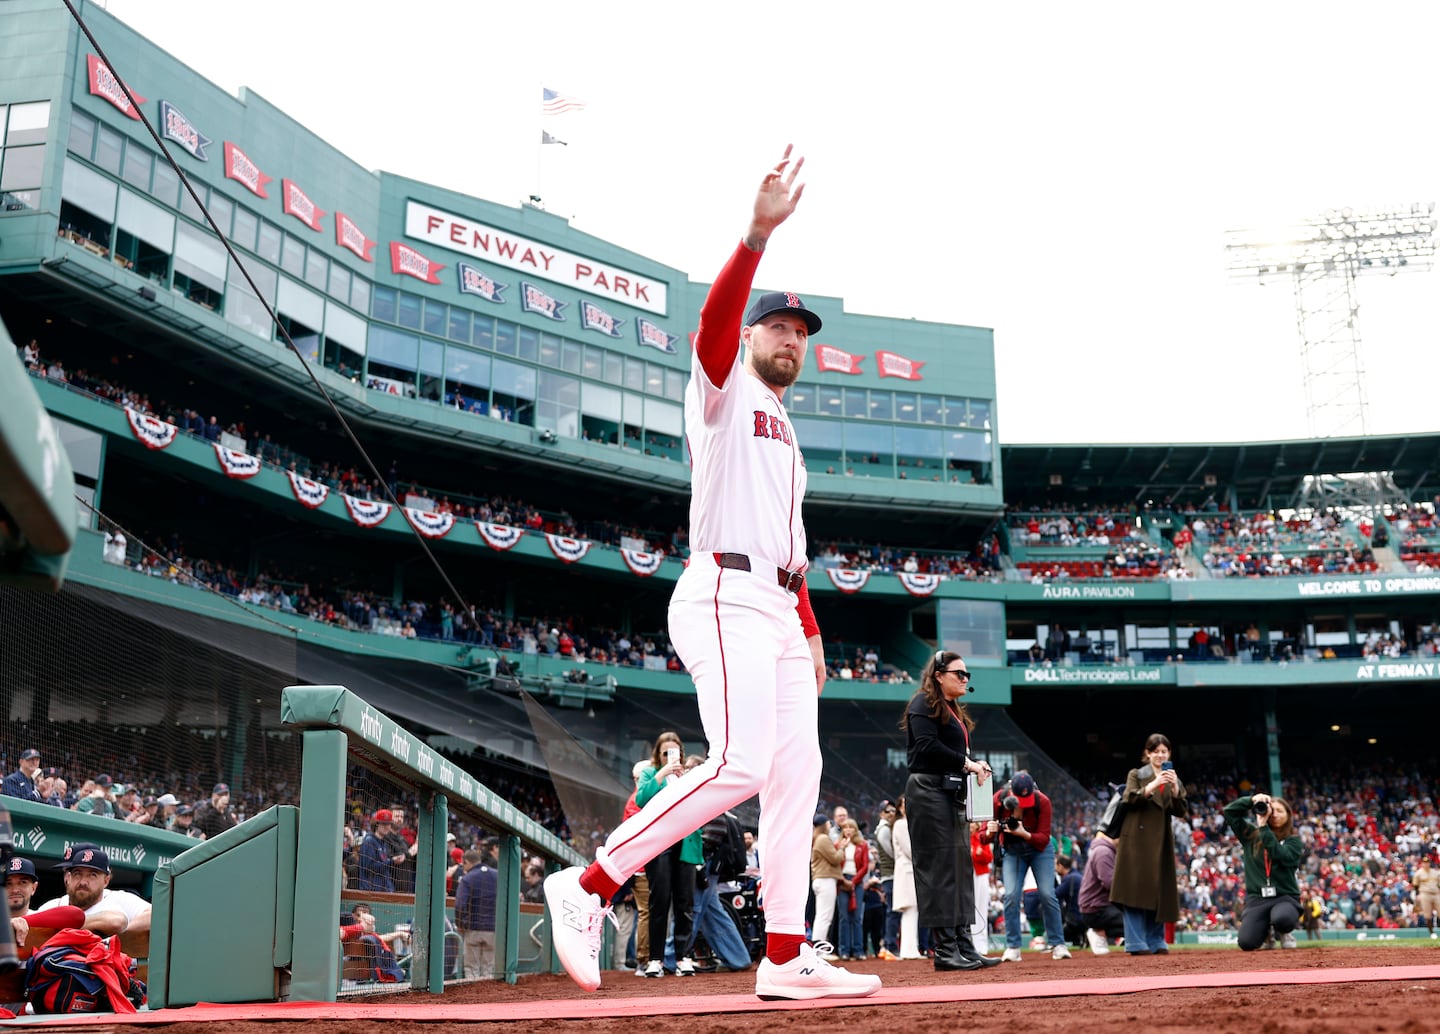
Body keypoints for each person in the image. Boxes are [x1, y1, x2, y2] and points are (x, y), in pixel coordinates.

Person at [543, 146, 879, 1002]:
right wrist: (755, 237)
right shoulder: (724, 387)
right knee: (737, 761)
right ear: (753, 335)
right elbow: (711, 326)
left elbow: (793, 554)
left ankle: (784, 952)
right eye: (782, 327)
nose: (793, 341)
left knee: (796, 770)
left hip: (775, 605)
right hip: (722, 592)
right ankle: (589, 887)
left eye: (803, 335)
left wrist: (810, 634)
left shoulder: (790, 438)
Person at [902, 649, 1000, 971]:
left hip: (948, 793)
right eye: (959, 673)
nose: (965, 679)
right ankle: (945, 951)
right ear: (938, 675)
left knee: (959, 872)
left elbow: (953, 752)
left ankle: (964, 946)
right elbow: (927, 746)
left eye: (967, 675)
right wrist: (967, 763)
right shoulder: (923, 703)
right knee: (941, 871)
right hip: (929, 791)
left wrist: (973, 765)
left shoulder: (950, 709)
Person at [1109, 733, 1189, 955]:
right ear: (1148, 753)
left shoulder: (1173, 778)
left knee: (1158, 890)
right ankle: (1135, 942)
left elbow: (1181, 810)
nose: (1160, 756)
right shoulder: (1137, 774)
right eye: (1156, 752)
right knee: (1133, 890)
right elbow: (1129, 798)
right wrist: (1155, 783)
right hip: (1135, 838)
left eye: (1164, 752)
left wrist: (1173, 788)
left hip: (1160, 840)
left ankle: (1156, 940)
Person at [631, 732, 700, 978]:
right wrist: (662, 773)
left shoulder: (689, 777)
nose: (672, 757)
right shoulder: (650, 774)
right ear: (657, 756)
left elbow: (700, 805)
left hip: (685, 842)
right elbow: (641, 799)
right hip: (660, 843)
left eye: (676, 752)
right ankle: (656, 960)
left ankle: (684, 957)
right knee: (658, 902)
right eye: (666, 753)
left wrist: (684, 780)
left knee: (685, 904)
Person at [984, 770, 1069, 961]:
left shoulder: (1043, 802)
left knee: (1048, 893)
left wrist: (1024, 833)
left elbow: (1043, 839)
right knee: (1011, 895)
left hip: (1040, 850)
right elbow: (982, 836)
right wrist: (991, 832)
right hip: (1013, 851)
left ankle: (1058, 944)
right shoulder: (998, 800)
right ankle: (1013, 947)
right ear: (1011, 794)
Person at [1223, 791, 1305, 951]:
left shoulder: (1293, 841)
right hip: (1258, 899)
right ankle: (1266, 931)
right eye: (1272, 811)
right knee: (1246, 943)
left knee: (1283, 919)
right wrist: (1251, 800)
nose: (1275, 815)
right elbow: (1229, 812)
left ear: (1289, 815)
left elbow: (1279, 855)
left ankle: (1283, 932)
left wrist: (1263, 827)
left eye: (1280, 811)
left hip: (1285, 897)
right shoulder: (1251, 835)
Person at [36, 843, 151, 936]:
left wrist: (120, 937)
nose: (83, 882)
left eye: (92, 875)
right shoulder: (53, 906)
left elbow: (154, 916)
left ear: (106, 880)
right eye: (77, 874)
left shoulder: (118, 899)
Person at [454, 839, 499, 978]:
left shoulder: (468, 879)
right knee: (489, 969)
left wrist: (461, 924)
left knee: (472, 969)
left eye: (463, 864)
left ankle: (474, 1000)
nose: (463, 867)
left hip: (473, 928)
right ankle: (489, 999)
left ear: (467, 862)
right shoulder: (497, 875)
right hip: (493, 929)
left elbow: (460, 904)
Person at [1077, 829, 1125, 954]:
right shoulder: (1104, 852)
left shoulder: (1105, 850)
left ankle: (1099, 931)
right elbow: (1109, 883)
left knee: (1134, 919)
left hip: (1097, 906)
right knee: (1134, 920)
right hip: (1095, 908)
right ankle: (1097, 931)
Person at [890, 797, 922, 959]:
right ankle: (909, 949)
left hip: (910, 869)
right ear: (901, 809)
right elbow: (909, 849)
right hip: (907, 869)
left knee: (913, 909)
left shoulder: (907, 824)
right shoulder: (901, 824)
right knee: (910, 908)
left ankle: (910, 948)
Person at [809, 813, 843, 958]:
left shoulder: (817, 838)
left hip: (821, 879)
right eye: (828, 823)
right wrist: (842, 848)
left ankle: (819, 949)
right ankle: (820, 950)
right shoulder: (823, 839)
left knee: (822, 916)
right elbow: (835, 859)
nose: (830, 826)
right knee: (824, 917)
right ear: (824, 825)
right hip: (825, 879)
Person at [872, 800, 901, 960]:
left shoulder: (885, 828)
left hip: (890, 874)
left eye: (892, 810)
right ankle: (890, 945)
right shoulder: (883, 829)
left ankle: (887, 945)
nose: (891, 813)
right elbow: (892, 852)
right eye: (887, 811)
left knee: (892, 910)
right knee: (893, 910)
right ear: (881, 813)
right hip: (890, 874)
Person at [357, 809, 400, 893]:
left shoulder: (384, 842)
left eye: (389, 824)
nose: (386, 826)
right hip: (370, 891)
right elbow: (369, 867)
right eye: (383, 823)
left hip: (383, 891)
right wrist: (391, 862)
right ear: (377, 824)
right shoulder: (369, 841)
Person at [1415, 857, 1440, 939]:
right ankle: (1431, 933)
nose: (1426, 864)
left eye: (1427, 862)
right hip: (1425, 894)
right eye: (1424, 862)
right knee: (1427, 915)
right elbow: (1415, 885)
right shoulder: (1418, 873)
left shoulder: (1435, 872)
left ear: (1429, 863)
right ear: (1422, 863)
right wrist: (1418, 894)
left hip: (1436, 893)